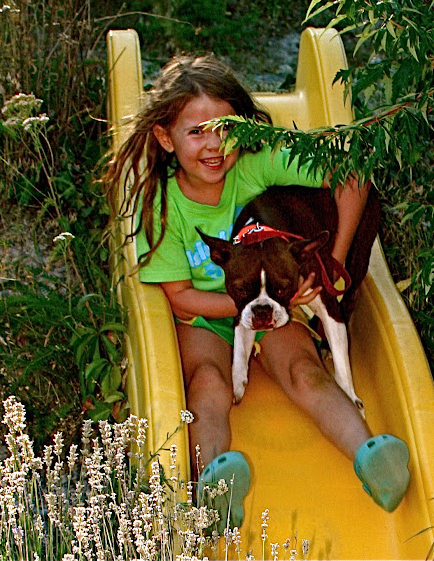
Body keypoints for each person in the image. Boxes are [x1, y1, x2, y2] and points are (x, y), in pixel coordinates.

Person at [105, 53, 410, 529]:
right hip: (207, 316)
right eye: (196, 131)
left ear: (243, 131)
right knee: (208, 382)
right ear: (165, 139)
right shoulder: (163, 206)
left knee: (305, 371)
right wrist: (245, 308)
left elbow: (353, 173)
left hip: (275, 305)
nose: (213, 145)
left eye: (225, 130)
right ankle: (215, 484)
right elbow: (180, 296)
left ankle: (371, 457)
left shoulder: (252, 167)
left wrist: (329, 264)